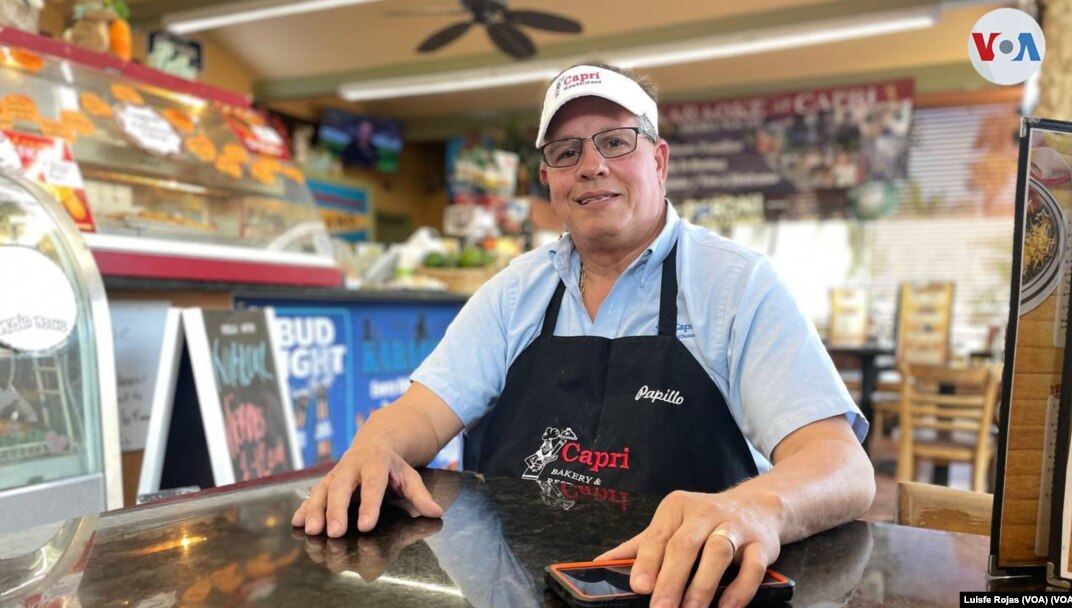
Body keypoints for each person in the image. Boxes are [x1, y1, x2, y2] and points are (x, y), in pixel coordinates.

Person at [293, 63, 875, 608]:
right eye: (566, 152)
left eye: (616, 141)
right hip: (528, 586)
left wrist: (755, 509)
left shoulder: (736, 285)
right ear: (549, 180)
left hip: (679, 590)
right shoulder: (515, 291)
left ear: (659, 159)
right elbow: (422, 411)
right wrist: (376, 446)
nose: (591, 165)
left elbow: (840, 465)